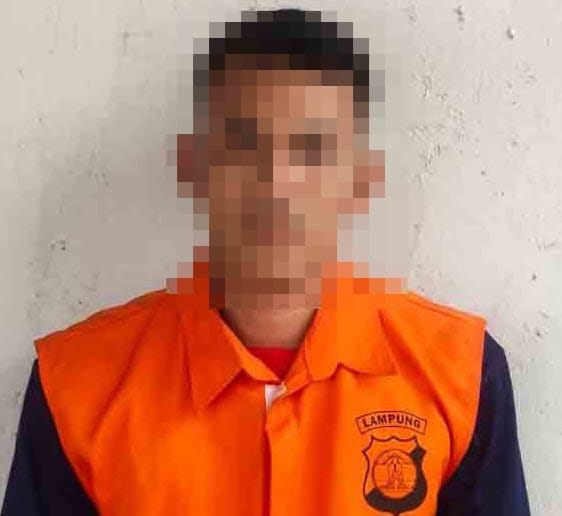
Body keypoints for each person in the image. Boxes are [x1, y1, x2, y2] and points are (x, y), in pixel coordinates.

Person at [2, 8, 530, 515]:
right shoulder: (78, 387)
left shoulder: (460, 375)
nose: (276, 185)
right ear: (195, 168)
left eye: (313, 150)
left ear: (361, 180)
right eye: (243, 144)